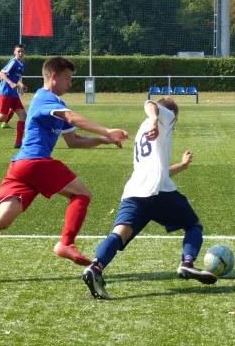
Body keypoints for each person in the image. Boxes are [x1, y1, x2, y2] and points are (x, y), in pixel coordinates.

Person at [0, 57, 130, 281]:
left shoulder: (56, 105)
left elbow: (74, 141)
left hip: (20, 167)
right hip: (35, 163)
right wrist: (107, 130)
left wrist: (104, 140)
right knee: (82, 194)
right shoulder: (45, 99)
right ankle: (66, 243)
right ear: (53, 76)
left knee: (3, 219)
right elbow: (71, 117)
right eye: (67, 78)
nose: (70, 83)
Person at [82, 98, 217, 300]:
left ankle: (95, 268)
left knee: (121, 233)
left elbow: (158, 170)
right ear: (171, 113)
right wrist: (155, 118)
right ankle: (187, 263)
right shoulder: (165, 117)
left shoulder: (141, 130)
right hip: (158, 191)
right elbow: (149, 102)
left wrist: (181, 166)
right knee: (194, 225)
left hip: (135, 190)